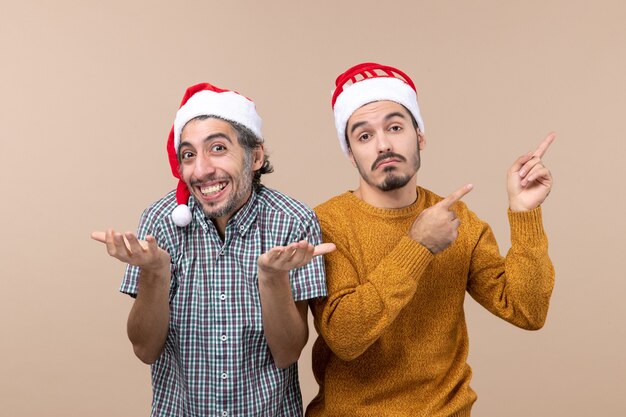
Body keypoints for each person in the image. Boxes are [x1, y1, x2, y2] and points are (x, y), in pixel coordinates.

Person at [306, 62, 555, 417]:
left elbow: (527, 311)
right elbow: (345, 337)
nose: (383, 145)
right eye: (364, 136)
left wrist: (524, 212)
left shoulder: (458, 220)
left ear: (419, 135)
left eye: (395, 127)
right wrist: (417, 246)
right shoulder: (327, 223)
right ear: (349, 153)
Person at [92, 82, 334, 417]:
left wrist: (272, 279)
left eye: (218, 148)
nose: (202, 169)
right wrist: (155, 273)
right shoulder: (159, 222)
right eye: (189, 155)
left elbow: (288, 353)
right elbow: (145, 349)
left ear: (256, 157)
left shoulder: (293, 221)